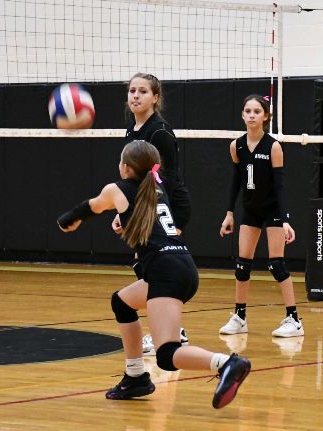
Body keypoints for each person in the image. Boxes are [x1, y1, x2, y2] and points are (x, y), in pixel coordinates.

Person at [58, 140, 250, 409]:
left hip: (165, 272)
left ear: (124, 167)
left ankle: (227, 363)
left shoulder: (117, 189)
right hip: (181, 265)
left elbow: (92, 207)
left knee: (167, 354)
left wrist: (67, 220)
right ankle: (135, 376)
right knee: (122, 302)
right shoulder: (156, 187)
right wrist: (124, 221)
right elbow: (145, 219)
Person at [218, 95, 301, 338]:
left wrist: (285, 219)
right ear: (242, 115)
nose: (252, 114)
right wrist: (229, 213)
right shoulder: (237, 146)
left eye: (257, 111)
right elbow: (235, 181)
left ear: (265, 116)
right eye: (248, 110)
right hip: (250, 209)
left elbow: (280, 185)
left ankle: (294, 319)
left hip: (272, 209)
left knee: (276, 264)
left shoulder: (273, 146)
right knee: (242, 265)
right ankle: (240, 316)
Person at [120, 73, 192, 355]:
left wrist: (163, 216)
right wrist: (123, 210)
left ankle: (167, 332)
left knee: (157, 268)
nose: (135, 96)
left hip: (168, 205)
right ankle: (176, 329)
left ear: (155, 97)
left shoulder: (159, 132)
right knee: (144, 266)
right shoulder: (132, 130)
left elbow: (168, 178)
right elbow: (133, 178)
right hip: (145, 204)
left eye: (142, 91)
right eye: (132, 91)